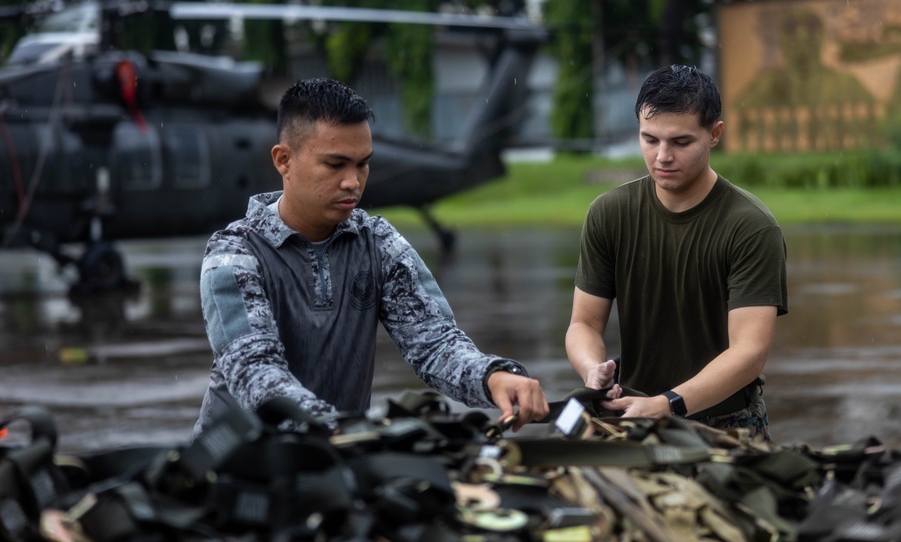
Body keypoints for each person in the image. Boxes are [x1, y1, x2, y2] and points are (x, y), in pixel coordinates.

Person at [194, 78, 548, 435]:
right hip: (232, 470)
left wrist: (495, 377)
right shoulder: (234, 254)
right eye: (336, 165)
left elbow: (436, 345)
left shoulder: (378, 242)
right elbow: (257, 375)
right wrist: (351, 431)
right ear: (284, 160)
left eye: (363, 164)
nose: (353, 182)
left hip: (341, 461)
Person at [565, 65, 787, 439]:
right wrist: (591, 368)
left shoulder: (751, 226)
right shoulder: (609, 213)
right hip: (630, 416)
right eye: (649, 140)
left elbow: (749, 352)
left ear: (715, 134)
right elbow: (584, 323)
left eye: (680, 142)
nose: (662, 156)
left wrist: (668, 403)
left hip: (726, 426)